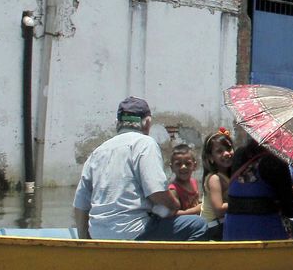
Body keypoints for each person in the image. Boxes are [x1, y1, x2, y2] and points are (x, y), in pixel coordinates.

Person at [73, 97, 207, 241]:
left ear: (118, 123)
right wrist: (175, 204)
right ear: (147, 123)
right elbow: (156, 193)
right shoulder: (145, 143)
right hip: (135, 232)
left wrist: (85, 242)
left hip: (98, 235)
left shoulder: (98, 152)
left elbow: (80, 206)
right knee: (198, 225)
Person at [222, 141, 293, 241]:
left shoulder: (239, 154)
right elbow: (290, 210)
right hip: (264, 231)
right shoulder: (275, 161)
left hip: (232, 232)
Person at [199, 127, 235, 240]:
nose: (226, 153)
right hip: (214, 227)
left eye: (229, 148)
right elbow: (219, 210)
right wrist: (243, 202)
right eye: (219, 151)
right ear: (211, 158)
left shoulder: (229, 175)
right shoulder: (214, 178)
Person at [167, 143, 201, 216]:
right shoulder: (173, 190)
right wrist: (195, 210)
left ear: (194, 165)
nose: (183, 167)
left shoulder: (194, 182)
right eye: (178, 164)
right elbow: (172, 214)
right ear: (172, 167)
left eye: (188, 163)